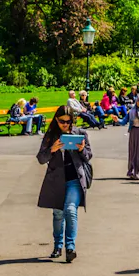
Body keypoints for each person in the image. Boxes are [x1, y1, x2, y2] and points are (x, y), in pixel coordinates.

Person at [36, 106, 92, 263]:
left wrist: (81, 149)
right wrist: (52, 149)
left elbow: (88, 156)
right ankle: (57, 246)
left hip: (75, 178)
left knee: (70, 210)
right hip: (57, 180)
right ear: (56, 120)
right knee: (58, 214)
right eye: (62, 122)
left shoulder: (80, 134)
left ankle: (70, 247)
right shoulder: (51, 136)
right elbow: (41, 158)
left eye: (68, 122)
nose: (65, 125)